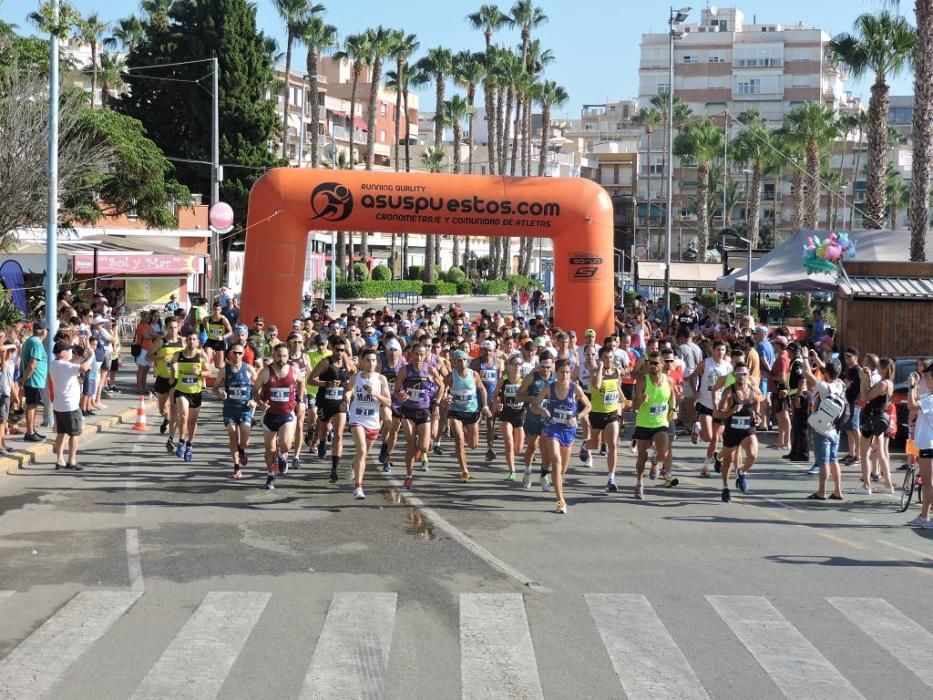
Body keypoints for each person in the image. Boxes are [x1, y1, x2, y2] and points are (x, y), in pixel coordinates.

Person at [530, 358, 590, 514]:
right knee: (555, 460)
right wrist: (542, 411)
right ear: (556, 373)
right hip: (553, 428)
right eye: (562, 372)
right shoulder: (549, 388)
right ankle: (560, 501)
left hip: (568, 430)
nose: (565, 375)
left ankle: (554, 479)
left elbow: (588, 406)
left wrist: (576, 417)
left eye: (568, 372)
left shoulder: (575, 388)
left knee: (562, 468)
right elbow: (534, 405)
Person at [394, 344, 444, 489]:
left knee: (424, 447)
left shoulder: (429, 369)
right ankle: (409, 476)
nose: (419, 357)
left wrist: (436, 404)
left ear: (426, 355)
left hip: (424, 410)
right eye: (416, 354)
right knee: (410, 445)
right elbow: (397, 390)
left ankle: (418, 451)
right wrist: (400, 395)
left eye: (422, 354)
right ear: (412, 354)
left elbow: (441, 387)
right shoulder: (404, 370)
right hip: (408, 411)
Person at [256, 343, 305, 490]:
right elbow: (255, 391)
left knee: (285, 445)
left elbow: (302, 382)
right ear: (273, 355)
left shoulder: (294, 371)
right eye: (278, 356)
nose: (281, 359)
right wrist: (260, 403)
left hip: (287, 414)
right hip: (270, 414)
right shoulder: (265, 372)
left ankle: (283, 456)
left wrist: (300, 401)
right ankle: (270, 476)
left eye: (284, 356)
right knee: (270, 449)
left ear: (288, 356)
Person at [346, 347, 392, 499]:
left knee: (362, 455)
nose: (370, 363)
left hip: (373, 420)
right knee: (362, 451)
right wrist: (346, 398)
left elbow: (388, 402)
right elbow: (348, 390)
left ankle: (354, 465)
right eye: (367, 360)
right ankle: (358, 488)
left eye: (373, 360)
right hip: (357, 418)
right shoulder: (356, 377)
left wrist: (374, 393)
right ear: (362, 361)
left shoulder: (381, 379)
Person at [632, 351, 676, 500]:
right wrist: (641, 400)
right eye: (650, 363)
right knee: (641, 457)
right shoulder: (643, 381)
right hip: (644, 423)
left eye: (656, 363)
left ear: (662, 365)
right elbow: (634, 406)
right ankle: (639, 482)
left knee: (664, 451)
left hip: (661, 423)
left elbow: (672, 396)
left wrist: (673, 409)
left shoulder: (669, 381)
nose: (652, 366)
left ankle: (656, 461)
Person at [308, 337, 353, 484]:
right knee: (324, 428)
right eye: (337, 350)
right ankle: (321, 441)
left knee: (339, 434)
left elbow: (354, 374)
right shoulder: (326, 362)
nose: (340, 353)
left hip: (340, 402)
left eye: (342, 350)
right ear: (332, 348)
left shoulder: (346, 360)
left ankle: (334, 469)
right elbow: (310, 379)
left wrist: (348, 391)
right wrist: (327, 383)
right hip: (325, 401)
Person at [714, 362, 760, 503]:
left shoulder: (751, 387)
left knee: (753, 455)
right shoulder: (729, 391)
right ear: (734, 375)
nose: (741, 377)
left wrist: (757, 414)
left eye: (744, 374)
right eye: (738, 374)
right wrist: (732, 411)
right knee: (728, 461)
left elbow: (758, 399)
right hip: (732, 430)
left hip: (747, 429)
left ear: (747, 375)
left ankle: (741, 471)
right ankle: (725, 488)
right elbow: (719, 414)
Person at [801, 354, 845, 501]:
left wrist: (806, 357)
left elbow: (807, 374)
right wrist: (817, 359)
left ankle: (821, 491)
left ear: (826, 373)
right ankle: (838, 490)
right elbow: (827, 371)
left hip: (822, 428)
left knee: (823, 462)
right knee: (834, 459)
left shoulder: (824, 387)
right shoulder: (840, 384)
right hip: (835, 427)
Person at [213, 343, 258, 479]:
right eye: (234, 352)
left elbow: (260, 389)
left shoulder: (249, 369)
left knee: (245, 441)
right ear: (229, 354)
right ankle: (236, 467)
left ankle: (242, 449)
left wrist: (254, 401)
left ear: (243, 354)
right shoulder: (224, 370)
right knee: (232, 434)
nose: (237, 355)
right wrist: (220, 394)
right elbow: (214, 388)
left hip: (245, 408)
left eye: (239, 353)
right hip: (230, 408)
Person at [446, 350, 492, 482]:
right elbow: (442, 389)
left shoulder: (474, 375)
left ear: (468, 361)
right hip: (455, 411)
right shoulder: (451, 376)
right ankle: (464, 470)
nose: (462, 363)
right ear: (454, 362)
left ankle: (464, 431)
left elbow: (482, 389)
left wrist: (485, 406)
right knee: (459, 440)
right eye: (459, 360)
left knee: (473, 445)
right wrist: (446, 398)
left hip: (471, 411)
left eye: (464, 360)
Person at [689, 339, 732, 477]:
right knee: (708, 437)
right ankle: (698, 427)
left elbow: (731, 386)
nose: (720, 352)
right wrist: (695, 391)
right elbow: (692, 376)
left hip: (720, 407)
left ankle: (705, 467)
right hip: (705, 404)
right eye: (718, 349)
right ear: (713, 350)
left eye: (723, 350)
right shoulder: (706, 363)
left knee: (716, 439)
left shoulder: (728, 367)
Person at [48, 341, 93, 470]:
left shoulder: (54, 364)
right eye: (68, 351)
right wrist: (91, 356)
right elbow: (83, 368)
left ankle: (59, 460)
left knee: (61, 433)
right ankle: (72, 461)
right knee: (74, 434)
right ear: (63, 353)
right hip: (70, 406)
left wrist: (84, 355)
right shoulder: (65, 366)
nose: (70, 353)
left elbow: (74, 362)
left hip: (58, 405)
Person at [516, 353, 556, 490]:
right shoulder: (531, 378)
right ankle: (527, 471)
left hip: (549, 421)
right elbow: (518, 396)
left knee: (547, 451)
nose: (545, 370)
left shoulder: (556, 379)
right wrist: (531, 399)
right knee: (532, 447)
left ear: (553, 365)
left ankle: (544, 475)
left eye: (548, 367)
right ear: (539, 365)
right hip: (532, 419)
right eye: (543, 366)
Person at [171, 330, 209, 462]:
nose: (191, 341)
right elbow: (173, 366)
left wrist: (200, 372)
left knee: (192, 421)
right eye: (189, 339)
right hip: (181, 390)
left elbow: (208, 371)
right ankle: (181, 441)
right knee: (183, 415)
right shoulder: (178, 355)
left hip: (195, 392)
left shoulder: (201, 356)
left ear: (198, 342)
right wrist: (173, 371)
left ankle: (189, 445)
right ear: (185, 341)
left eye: (194, 339)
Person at [588, 346, 623, 491]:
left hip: (611, 413)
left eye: (611, 357)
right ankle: (585, 446)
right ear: (600, 359)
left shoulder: (616, 371)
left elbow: (617, 387)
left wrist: (624, 400)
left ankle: (611, 478)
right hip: (596, 413)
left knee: (612, 445)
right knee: (594, 444)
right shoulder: (595, 372)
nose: (609, 360)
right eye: (606, 358)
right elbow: (596, 385)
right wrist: (600, 368)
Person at [149, 317, 183, 450]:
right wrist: (161, 357)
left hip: (176, 379)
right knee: (163, 408)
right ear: (166, 328)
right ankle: (167, 419)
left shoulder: (183, 341)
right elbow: (149, 356)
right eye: (171, 327)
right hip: (162, 378)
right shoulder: (161, 341)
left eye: (175, 327)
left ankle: (171, 439)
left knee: (174, 409)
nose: (173, 330)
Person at [906, 362, 933, 527]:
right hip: (927, 444)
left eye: (928, 376)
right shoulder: (929, 397)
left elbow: (911, 405)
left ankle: (927, 517)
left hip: (928, 445)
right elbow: (915, 400)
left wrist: (910, 387)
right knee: (927, 482)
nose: (926, 379)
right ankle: (924, 516)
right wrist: (914, 386)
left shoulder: (931, 399)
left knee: (928, 482)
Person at [495, 354, 526, 480]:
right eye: (515, 364)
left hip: (520, 415)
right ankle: (512, 470)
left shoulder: (525, 380)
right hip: (506, 415)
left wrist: (528, 410)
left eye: (519, 364)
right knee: (509, 443)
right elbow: (495, 395)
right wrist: (497, 404)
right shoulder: (504, 379)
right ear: (509, 366)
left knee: (518, 449)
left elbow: (531, 397)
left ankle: (512, 456)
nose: (517, 367)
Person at [470, 340, 502, 462]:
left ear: (494, 352)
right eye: (484, 350)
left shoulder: (498, 363)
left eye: (489, 350)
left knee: (490, 423)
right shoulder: (475, 363)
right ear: (480, 351)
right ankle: (472, 439)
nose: (487, 353)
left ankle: (490, 448)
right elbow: (469, 379)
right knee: (474, 421)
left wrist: (498, 396)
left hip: (491, 397)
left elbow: (499, 380)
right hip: (477, 396)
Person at [20, 321, 49, 443]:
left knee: (33, 405)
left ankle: (31, 430)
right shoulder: (36, 343)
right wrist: (24, 379)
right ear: (43, 331)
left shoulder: (30, 341)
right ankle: (30, 432)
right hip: (34, 381)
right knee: (31, 406)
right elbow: (32, 365)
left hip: (35, 381)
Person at [201, 302, 233, 368]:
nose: (216, 311)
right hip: (210, 341)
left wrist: (222, 337)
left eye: (218, 310)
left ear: (220, 310)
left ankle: (219, 359)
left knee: (219, 366)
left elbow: (230, 332)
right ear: (212, 309)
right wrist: (207, 330)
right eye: (215, 309)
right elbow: (204, 320)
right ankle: (205, 374)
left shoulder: (223, 320)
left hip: (220, 342)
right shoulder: (208, 319)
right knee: (206, 360)